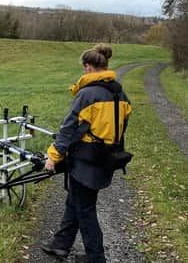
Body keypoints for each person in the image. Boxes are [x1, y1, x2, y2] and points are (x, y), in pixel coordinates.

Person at [41, 44, 132, 263]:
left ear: (88, 67)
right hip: (106, 157)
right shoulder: (119, 92)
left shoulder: (88, 94)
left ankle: (95, 257)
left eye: (84, 68)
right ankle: (61, 244)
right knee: (76, 200)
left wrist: (53, 156)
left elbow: (69, 128)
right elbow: (123, 120)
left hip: (86, 160)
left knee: (85, 209)